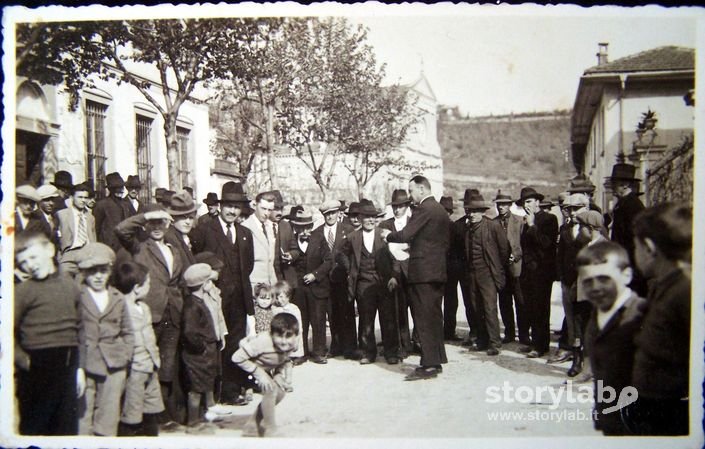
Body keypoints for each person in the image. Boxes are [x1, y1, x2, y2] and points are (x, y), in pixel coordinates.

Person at [114, 203, 185, 430]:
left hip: (172, 312)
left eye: (160, 222)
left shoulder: (174, 248)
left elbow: (176, 280)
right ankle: (141, 418)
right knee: (145, 365)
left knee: (167, 365)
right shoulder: (140, 247)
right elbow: (121, 230)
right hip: (149, 312)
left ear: (168, 223)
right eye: (152, 223)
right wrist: (146, 215)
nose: (156, 227)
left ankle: (162, 416)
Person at [624, 202, 691, 436]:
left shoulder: (685, 290)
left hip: (671, 416)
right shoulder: (666, 284)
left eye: (635, 246)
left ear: (649, 248)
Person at [190, 181, 254, 405]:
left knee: (236, 344)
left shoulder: (245, 233)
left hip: (238, 299)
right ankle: (212, 394)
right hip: (213, 297)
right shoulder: (204, 230)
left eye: (237, 208)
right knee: (214, 343)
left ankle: (231, 391)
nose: (232, 211)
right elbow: (196, 261)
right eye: (228, 206)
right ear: (220, 205)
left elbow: (248, 266)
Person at [14, 231, 84, 435]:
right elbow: (8, 331)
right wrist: (23, 360)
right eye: (23, 262)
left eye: (33, 257)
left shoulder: (70, 286)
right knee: (35, 426)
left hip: (67, 364)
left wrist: (79, 368)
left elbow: (81, 328)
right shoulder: (23, 291)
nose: (30, 265)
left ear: (50, 250)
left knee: (65, 426)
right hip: (36, 366)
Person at [381, 175, 450, 381]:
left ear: (421, 189)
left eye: (411, 191)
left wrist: (388, 236)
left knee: (423, 318)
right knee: (434, 317)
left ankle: (428, 364)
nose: (410, 196)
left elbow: (405, 234)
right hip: (437, 271)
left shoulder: (424, 209)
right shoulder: (439, 210)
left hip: (422, 273)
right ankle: (436, 360)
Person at [579, 241, 646, 436]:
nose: (596, 287)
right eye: (588, 281)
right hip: (609, 418)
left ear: (626, 275)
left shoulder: (641, 314)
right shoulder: (597, 314)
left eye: (604, 278)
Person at [75, 242, 134, 436]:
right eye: (93, 271)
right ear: (84, 273)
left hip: (114, 364)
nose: (99, 276)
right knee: (82, 416)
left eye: (103, 271)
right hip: (86, 364)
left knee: (108, 418)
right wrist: (78, 366)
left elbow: (128, 331)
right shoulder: (77, 296)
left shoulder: (117, 297)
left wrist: (125, 354)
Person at [338, 201, 402, 365]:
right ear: (360, 218)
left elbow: (396, 257)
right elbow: (341, 254)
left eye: (373, 217)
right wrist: (349, 269)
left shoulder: (384, 235)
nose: (370, 220)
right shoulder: (353, 237)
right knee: (366, 318)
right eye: (367, 217)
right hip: (363, 283)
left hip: (384, 282)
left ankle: (391, 352)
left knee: (388, 318)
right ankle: (368, 352)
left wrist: (394, 276)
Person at [115, 261, 164, 437]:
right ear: (137, 288)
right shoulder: (121, 309)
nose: (150, 286)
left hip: (151, 367)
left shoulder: (144, 308)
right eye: (148, 282)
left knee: (152, 411)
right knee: (132, 415)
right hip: (134, 371)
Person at [231, 313, 299, 437]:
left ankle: (252, 425)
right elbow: (237, 358)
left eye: (288, 336)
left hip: (261, 370)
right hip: (242, 370)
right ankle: (270, 428)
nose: (284, 341)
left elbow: (283, 360)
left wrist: (278, 374)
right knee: (271, 389)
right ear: (271, 334)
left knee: (280, 392)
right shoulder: (262, 342)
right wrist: (260, 374)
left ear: (295, 335)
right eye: (279, 336)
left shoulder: (292, 344)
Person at [460, 193, 510, 356]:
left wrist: (496, 269)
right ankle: (482, 340)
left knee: (489, 307)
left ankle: (495, 342)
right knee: (476, 307)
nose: (472, 214)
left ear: (482, 211)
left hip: (487, 272)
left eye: (475, 211)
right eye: (469, 211)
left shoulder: (492, 226)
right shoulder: (468, 229)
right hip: (472, 273)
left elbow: (503, 250)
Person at [516, 186, 558, 359]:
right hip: (528, 271)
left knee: (541, 308)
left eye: (529, 201)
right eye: (524, 203)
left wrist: (533, 225)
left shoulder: (549, 219)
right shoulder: (526, 221)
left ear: (537, 202)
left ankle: (541, 346)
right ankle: (535, 342)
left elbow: (546, 244)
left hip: (542, 271)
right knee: (530, 307)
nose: (526, 206)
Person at [314, 199, 358, 360]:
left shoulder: (347, 230)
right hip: (325, 279)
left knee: (346, 311)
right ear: (323, 215)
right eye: (327, 214)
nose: (330, 216)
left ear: (338, 213)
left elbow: (352, 253)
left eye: (333, 213)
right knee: (331, 312)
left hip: (343, 277)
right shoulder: (317, 232)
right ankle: (336, 345)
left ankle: (351, 347)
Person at [181, 263, 222, 433]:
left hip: (205, 354)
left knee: (203, 385)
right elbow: (190, 333)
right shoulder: (192, 305)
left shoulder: (197, 301)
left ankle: (200, 417)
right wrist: (202, 348)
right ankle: (193, 422)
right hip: (198, 356)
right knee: (196, 389)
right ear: (204, 285)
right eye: (209, 282)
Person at [288, 206, 332, 364]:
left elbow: (329, 261)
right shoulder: (291, 240)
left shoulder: (319, 238)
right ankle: (301, 352)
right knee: (301, 321)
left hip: (317, 287)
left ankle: (319, 351)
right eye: (302, 228)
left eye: (308, 227)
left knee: (318, 320)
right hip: (298, 289)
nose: (306, 231)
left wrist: (315, 275)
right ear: (296, 228)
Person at [555, 193, 590, 375]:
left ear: (586, 208)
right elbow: (560, 256)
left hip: (586, 283)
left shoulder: (593, 229)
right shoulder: (564, 229)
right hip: (568, 282)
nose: (573, 212)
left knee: (588, 321)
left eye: (577, 208)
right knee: (572, 322)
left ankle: (590, 362)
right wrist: (562, 278)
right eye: (569, 209)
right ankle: (576, 359)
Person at [378, 190, 414, 355]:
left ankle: (418, 342)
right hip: (393, 273)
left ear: (407, 206)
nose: (397, 210)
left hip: (412, 272)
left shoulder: (413, 222)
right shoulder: (385, 225)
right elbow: (383, 250)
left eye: (400, 206)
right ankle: (402, 346)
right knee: (398, 311)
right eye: (395, 207)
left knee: (417, 309)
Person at [607, 162, 646, 296]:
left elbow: (634, 238)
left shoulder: (632, 205)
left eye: (615, 184)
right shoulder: (624, 203)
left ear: (625, 185)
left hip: (630, 265)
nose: (612, 187)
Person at [492, 191, 526, 345]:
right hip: (501, 270)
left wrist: (517, 255)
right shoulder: (493, 223)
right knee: (505, 302)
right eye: (499, 204)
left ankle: (524, 334)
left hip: (517, 268)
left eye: (504, 204)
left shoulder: (520, 221)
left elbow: (525, 243)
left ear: (510, 205)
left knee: (520, 301)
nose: (501, 207)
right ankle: (509, 332)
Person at [449, 188, 480, 347]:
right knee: (469, 303)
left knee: (480, 303)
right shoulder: (458, 225)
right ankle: (474, 332)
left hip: (479, 271)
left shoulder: (484, 223)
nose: (469, 209)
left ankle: (483, 334)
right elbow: (453, 250)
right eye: (467, 206)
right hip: (463, 272)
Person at [55, 181, 97, 277]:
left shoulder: (90, 217)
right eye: (80, 197)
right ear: (72, 197)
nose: (83, 200)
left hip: (86, 256)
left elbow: (93, 238)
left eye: (85, 198)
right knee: (65, 286)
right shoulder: (62, 215)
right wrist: (60, 258)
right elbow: (56, 239)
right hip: (68, 256)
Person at [242, 191, 278, 286]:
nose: (266, 213)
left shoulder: (270, 227)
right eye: (263, 209)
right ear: (255, 205)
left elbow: (270, 260)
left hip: (270, 285)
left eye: (270, 210)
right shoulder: (245, 227)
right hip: (254, 284)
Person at [93, 172, 132, 252]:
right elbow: (96, 228)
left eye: (121, 187)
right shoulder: (102, 205)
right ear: (110, 190)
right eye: (116, 188)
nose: (120, 190)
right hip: (108, 246)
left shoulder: (126, 205)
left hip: (125, 245)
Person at [272, 281, 305, 365]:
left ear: (288, 296)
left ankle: (295, 356)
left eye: (282, 297)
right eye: (277, 297)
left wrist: (296, 341)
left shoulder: (294, 308)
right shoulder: (274, 308)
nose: (279, 300)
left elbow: (299, 326)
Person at [165, 190, 198, 267]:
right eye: (183, 217)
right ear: (173, 218)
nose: (188, 222)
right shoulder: (170, 238)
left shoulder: (182, 236)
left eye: (191, 218)